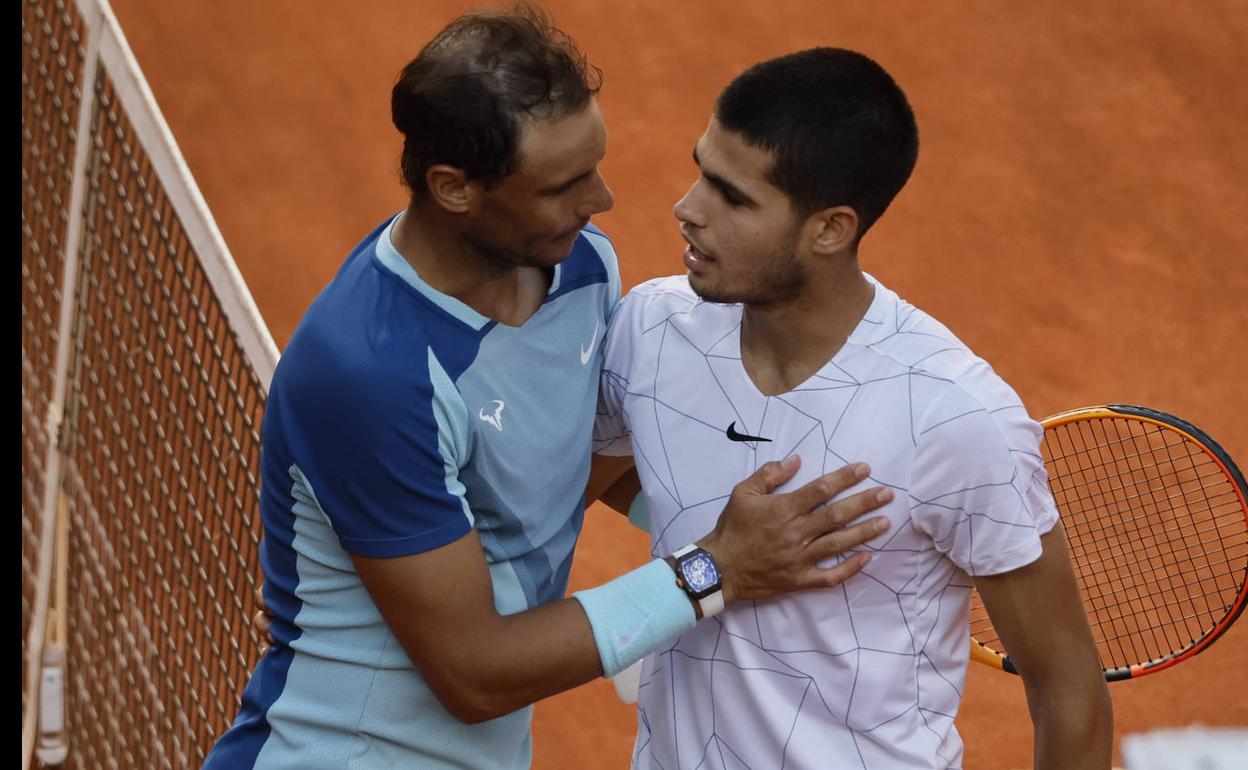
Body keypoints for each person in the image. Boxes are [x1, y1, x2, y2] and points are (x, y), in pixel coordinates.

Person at [202, 8, 893, 769]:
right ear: (454, 187)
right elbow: (475, 673)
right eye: (563, 185)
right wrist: (713, 569)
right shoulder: (368, 375)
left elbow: (566, 464)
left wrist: (792, 533)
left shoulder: (582, 266)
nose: (602, 201)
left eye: (594, 165)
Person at [593, 48, 1114, 769]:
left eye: (733, 197)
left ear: (831, 230)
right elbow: (582, 485)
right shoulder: (650, 332)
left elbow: (1067, 688)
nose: (689, 209)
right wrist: (727, 549)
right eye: (701, 170)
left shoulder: (952, 416)